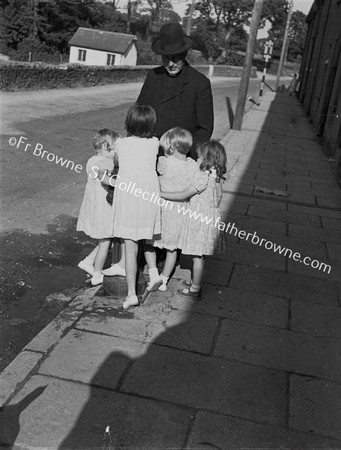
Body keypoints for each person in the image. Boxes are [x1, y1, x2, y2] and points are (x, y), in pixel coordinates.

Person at [107, 105, 162, 309]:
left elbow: (115, 160)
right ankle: (154, 273)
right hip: (148, 196)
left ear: (128, 122)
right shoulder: (155, 143)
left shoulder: (120, 143)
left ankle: (131, 294)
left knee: (130, 247)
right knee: (148, 238)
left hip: (129, 197)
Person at [136, 22, 214, 159]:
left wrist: (187, 157)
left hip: (180, 159)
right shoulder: (153, 76)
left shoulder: (200, 83)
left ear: (184, 53)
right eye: (166, 58)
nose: (171, 64)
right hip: (148, 155)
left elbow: (204, 129)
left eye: (176, 57)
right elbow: (138, 114)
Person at [161, 140, 228, 299]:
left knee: (198, 257)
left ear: (207, 160)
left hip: (200, 220)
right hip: (209, 218)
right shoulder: (216, 177)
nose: (196, 160)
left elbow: (184, 194)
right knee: (199, 255)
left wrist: (161, 194)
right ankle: (193, 282)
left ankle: (195, 289)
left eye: (199, 158)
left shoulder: (203, 178)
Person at [154, 127, 208, 292]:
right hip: (181, 212)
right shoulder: (192, 165)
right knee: (172, 249)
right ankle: (163, 280)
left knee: (151, 242)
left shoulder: (164, 162)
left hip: (163, 209)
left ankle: (151, 270)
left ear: (170, 147)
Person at [76, 129, 119, 286]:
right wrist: (118, 182)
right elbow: (102, 176)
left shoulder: (92, 160)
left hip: (96, 206)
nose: (117, 153)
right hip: (103, 209)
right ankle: (97, 274)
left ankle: (88, 261)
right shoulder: (102, 163)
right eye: (115, 149)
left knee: (107, 239)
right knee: (106, 241)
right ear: (106, 146)